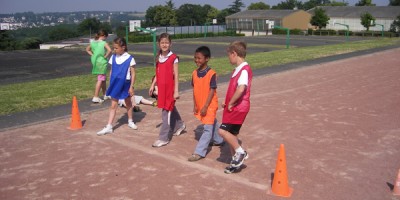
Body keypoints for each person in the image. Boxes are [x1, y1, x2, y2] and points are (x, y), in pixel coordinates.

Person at [218, 41, 253, 174]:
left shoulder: (244, 70)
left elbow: (241, 88)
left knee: (222, 131)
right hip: (235, 106)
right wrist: (227, 102)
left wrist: (231, 103)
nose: (228, 58)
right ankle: (235, 161)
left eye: (229, 55)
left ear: (234, 53)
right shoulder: (238, 70)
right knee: (232, 135)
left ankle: (240, 152)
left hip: (238, 107)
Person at [149, 33, 185, 147]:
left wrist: (176, 91)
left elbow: (177, 76)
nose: (164, 44)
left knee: (166, 113)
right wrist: (152, 85)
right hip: (161, 89)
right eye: (162, 42)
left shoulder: (173, 58)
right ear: (158, 44)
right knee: (170, 108)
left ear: (170, 44)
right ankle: (180, 125)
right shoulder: (158, 58)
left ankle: (163, 138)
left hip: (169, 90)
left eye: (166, 42)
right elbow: (157, 73)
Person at [188, 46, 224, 162]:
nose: (197, 60)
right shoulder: (194, 73)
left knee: (207, 128)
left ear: (207, 59)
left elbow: (212, 90)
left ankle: (199, 152)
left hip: (209, 105)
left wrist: (205, 106)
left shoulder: (211, 74)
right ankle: (220, 140)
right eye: (195, 58)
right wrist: (195, 105)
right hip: (200, 104)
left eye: (199, 58)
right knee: (212, 121)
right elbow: (194, 90)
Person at [97, 37, 138, 135]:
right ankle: (109, 126)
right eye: (114, 48)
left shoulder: (130, 58)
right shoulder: (113, 57)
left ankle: (130, 121)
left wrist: (131, 86)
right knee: (113, 105)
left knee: (128, 102)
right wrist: (111, 82)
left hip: (126, 84)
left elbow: (133, 74)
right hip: (115, 85)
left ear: (123, 47)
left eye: (116, 48)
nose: (114, 50)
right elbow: (112, 71)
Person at [85, 29, 112, 103]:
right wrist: (105, 56)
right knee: (100, 79)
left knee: (103, 78)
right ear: (103, 36)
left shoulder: (93, 42)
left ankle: (105, 94)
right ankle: (96, 96)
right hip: (102, 62)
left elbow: (87, 49)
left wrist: (93, 55)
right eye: (106, 37)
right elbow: (110, 50)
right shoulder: (103, 43)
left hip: (95, 61)